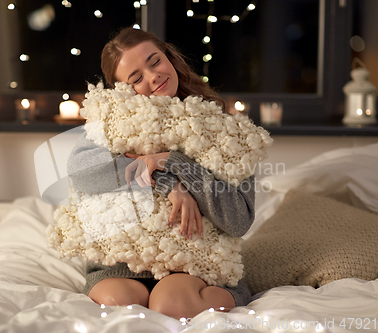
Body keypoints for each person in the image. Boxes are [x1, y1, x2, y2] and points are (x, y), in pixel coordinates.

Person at [67, 27, 255, 320]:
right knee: (120, 304)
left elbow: (239, 220)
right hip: (123, 263)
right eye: (136, 78)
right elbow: (82, 173)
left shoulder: (222, 128)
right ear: (121, 90)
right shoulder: (111, 124)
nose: (152, 76)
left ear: (169, 57)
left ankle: (232, 293)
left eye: (154, 61)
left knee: (170, 306)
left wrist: (175, 162)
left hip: (193, 262)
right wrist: (167, 182)